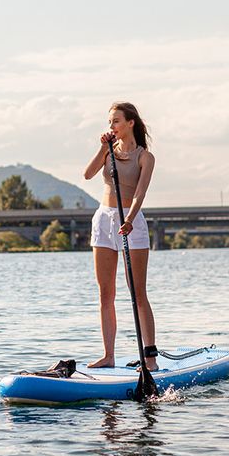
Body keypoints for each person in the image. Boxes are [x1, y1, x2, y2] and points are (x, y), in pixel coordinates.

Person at [83, 101, 158, 370]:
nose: (111, 126)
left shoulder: (144, 157)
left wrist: (130, 218)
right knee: (106, 294)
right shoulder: (109, 152)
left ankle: (150, 359)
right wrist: (103, 148)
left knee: (137, 292)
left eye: (116, 121)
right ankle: (108, 355)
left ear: (130, 123)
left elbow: (140, 192)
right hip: (103, 219)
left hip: (131, 221)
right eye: (110, 122)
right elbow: (88, 174)